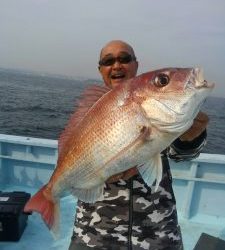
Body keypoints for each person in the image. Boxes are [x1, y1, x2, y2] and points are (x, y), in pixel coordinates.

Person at [68, 40, 208, 250]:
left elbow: (181, 155)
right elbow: (75, 162)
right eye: (108, 61)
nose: (117, 65)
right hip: (94, 234)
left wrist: (192, 138)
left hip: (157, 233)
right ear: (101, 69)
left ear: (136, 64)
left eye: (125, 59)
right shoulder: (88, 116)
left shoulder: (158, 104)